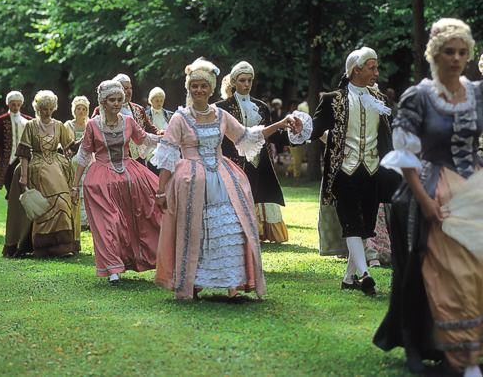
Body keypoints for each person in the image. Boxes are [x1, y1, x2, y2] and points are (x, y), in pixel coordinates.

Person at [374, 19, 483, 377]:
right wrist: (423, 199)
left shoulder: (478, 93)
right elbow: (405, 155)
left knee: (476, 273)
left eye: (462, 52)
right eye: (449, 52)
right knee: (445, 273)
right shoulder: (419, 96)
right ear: (434, 55)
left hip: (475, 190)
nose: (456, 59)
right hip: (433, 188)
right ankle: (449, 352)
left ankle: (468, 348)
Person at [152, 58, 305, 300]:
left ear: (212, 89)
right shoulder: (180, 119)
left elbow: (248, 135)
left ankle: (233, 283)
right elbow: (167, 156)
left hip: (223, 180)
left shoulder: (221, 115)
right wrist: (161, 191)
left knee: (231, 229)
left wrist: (279, 123)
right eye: (194, 86)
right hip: (191, 182)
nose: (199, 90)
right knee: (195, 231)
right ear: (189, 89)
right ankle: (193, 282)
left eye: (204, 86)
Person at [310, 47, 398, 296]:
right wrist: (293, 129)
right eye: (372, 68)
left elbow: (388, 135)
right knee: (351, 223)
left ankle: (349, 278)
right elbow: (314, 130)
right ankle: (365, 275)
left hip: (372, 170)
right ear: (356, 70)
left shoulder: (380, 99)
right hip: (343, 170)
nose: (376, 72)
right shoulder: (332, 99)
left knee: (364, 226)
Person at [72, 80, 162, 284]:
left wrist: (165, 138)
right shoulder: (93, 125)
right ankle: (113, 268)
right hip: (101, 181)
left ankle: (154, 257)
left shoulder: (128, 122)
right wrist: (74, 185)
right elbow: (84, 156)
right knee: (109, 223)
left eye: (119, 99)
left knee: (144, 215)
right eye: (111, 100)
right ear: (103, 102)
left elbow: (144, 139)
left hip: (129, 176)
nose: (116, 103)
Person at [216, 61, 310, 243]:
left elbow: (272, 134)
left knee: (258, 192)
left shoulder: (261, 107)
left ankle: (258, 232)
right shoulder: (221, 107)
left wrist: (295, 135)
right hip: (233, 160)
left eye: (249, 80)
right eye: (242, 80)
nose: (246, 84)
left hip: (259, 159)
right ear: (234, 82)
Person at [13, 90, 78, 257]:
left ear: (54, 108)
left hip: (57, 165)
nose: (47, 112)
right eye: (44, 109)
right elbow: (24, 152)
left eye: (50, 108)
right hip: (37, 167)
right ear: (38, 108)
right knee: (45, 206)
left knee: (63, 203)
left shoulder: (59, 126)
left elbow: (69, 147)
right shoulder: (30, 125)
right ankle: (42, 247)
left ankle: (63, 247)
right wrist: (24, 175)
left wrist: (87, 137)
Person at [91, 74, 161, 164]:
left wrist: (161, 133)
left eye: (130, 88)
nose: (129, 91)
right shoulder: (101, 110)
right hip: (113, 160)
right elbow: (91, 134)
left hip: (138, 159)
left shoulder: (138, 109)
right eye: (125, 88)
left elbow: (149, 129)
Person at [0, 91, 32, 198]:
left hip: (26, 161)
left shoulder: (29, 121)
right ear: (8, 104)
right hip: (7, 161)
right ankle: (12, 212)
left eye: (18, 104)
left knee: (26, 189)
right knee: (10, 190)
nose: (16, 107)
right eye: (13, 104)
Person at [64, 95, 91, 231]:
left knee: (87, 188)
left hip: (89, 158)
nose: (81, 111)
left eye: (84, 109)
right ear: (74, 110)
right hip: (74, 158)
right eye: (78, 109)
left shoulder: (90, 124)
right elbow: (68, 145)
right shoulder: (69, 125)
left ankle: (87, 220)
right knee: (76, 187)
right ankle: (76, 219)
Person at [145, 87, 173, 173]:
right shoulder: (145, 115)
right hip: (151, 148)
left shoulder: (170, 115)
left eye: (161, 100)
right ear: (151, 101)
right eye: (157, 100)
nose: (159, 103)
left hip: (167, 148)